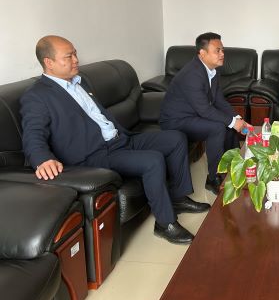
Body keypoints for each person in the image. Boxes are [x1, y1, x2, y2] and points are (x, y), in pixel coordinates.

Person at [20, 36, 209, 245]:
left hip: (120, 138)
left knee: (175, 138)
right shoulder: (37, 96)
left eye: (75, 53)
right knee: (153, 160)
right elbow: (33, 133)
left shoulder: (80, 81)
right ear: (49, 62)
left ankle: (178, 198)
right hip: (94, 154)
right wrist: (42, 159)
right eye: (69, 56)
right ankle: (165, 224)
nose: (76, 59)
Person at [159, 32, 248, 195]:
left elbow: (219, 100)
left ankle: (233, 166)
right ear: (202, 53)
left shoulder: (213, 70)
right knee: (218, 128)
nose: (222, 54)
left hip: (193, 114)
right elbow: (205, 109)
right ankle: (213, 178)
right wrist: (232, 122)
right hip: (176, 120)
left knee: (228, 124)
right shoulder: (192, 74)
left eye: (222, 50)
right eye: (217, 51)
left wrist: (237, 118)